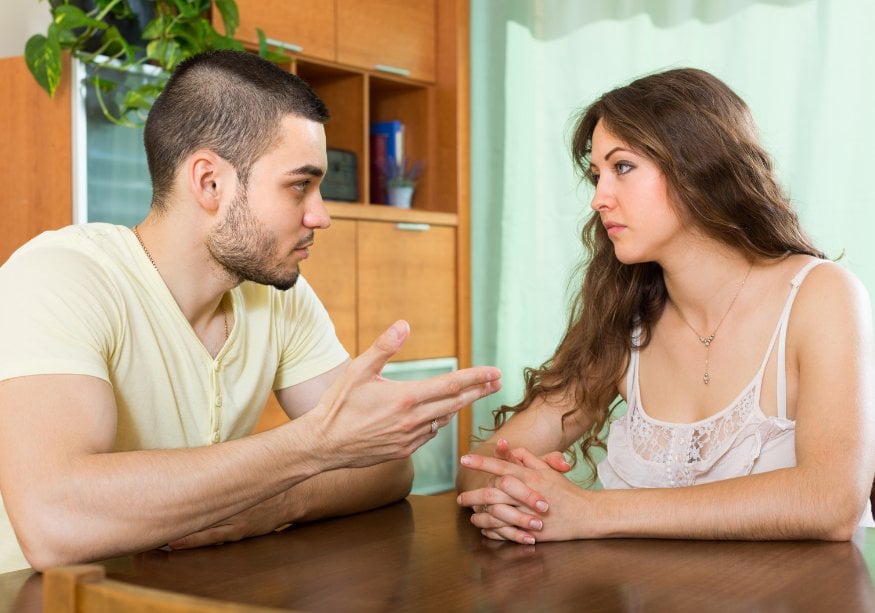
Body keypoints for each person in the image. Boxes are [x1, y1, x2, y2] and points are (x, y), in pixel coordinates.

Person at [0, 50, 501, 573]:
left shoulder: (277, 296)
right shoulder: (59, 277)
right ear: (210, 182)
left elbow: (386, 466)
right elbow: (54, 521)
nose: (321, 214)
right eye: (299, 185)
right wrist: (313, 446)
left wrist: (275, 502)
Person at [456, 67, 875, 544]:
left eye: (622, 167)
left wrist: (594, 511)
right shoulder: (624, 316)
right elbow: (483, 462)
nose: (598, 198)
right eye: (596, 175)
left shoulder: (822, 296)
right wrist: (518, 494)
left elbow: (831, 501)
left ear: (698, 163)